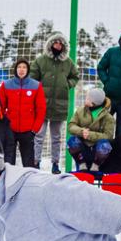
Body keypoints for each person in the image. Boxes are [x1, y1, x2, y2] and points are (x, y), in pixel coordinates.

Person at [30, 31, 78, 174]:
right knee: (39, 136)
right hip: (41, 105)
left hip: (59, 106)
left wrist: (66, 84)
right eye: (55, 43)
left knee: (56, 137)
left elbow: (75, 76)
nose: (58, 45)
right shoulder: (40, 60)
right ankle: (35, 162)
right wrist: (38, 90)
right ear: (51, 44)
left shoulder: (68, 62)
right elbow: (33, 77)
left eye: (60, 43)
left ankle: (55, 164)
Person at [0, 58, 46, 168]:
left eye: (24, 67)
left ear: (28, 70)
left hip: (28, 130)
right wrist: (3, 125)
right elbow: (0, 107)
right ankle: (8, 181)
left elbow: (41, 109)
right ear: (15, 69)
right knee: (8, 160)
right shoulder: (6, 85)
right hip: (10, 128)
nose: (21, 70)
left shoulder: (36, 85)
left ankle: (29, 182)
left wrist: (34, 129)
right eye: (19, 67)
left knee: (28, 162)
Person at [67, 87, 115, 172]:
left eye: (87, 98)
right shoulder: (80, 111)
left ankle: (96, 166)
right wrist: (82, 131)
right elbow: (71, 126)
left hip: (97, 150)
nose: (85, 98)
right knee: (72, 140)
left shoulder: (108, 117)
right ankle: (81, 164)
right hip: (83, 147)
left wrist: (89, 135)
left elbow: (109, 136)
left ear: (93, 103)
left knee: (105, 145)